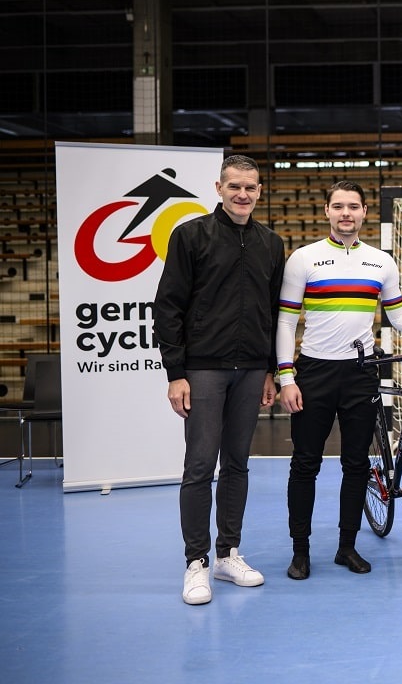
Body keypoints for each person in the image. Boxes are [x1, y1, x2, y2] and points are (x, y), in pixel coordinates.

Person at [276, 180, 402, 580]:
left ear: (363, 213)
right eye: (338, 206)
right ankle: (300, 552)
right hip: (314, 372)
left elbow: (398, 316)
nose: (346, 213)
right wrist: (287, 376)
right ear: (326, 211)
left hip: (360, 374)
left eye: (353, 207)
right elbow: (286, 322)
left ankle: (347, 547)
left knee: (356, 464)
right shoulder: (303, 259)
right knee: (305, 464)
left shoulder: (381, 262)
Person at [154, 154, 285, 606]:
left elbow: (272, 311)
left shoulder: (272, 243)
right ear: (218, 187)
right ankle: (196, 563)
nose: (242, 194)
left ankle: (228, 552)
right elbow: (167, 307)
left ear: (259, 191)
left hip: (251, 370)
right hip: (204, 370)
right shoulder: (190, 235)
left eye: (250, 187)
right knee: (199, 465)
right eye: (235, 186)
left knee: (238, 464)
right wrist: (177, 374)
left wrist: (269, 368)